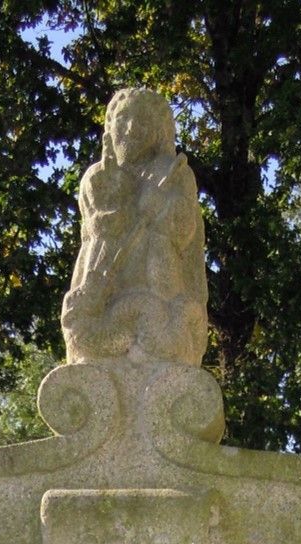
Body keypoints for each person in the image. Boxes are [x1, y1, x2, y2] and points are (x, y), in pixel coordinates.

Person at [61, 87, 208, 366]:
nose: (131, 128)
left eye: (142, 121)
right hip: (106, 277)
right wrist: (116, 206)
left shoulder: (173, 172)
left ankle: (166, 329)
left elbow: (184, 230)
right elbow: (94, 228)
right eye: (123, 119)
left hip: (156, 278)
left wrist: (162, 207)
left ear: (158, 130)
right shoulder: (97, 175)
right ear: (111, 125)